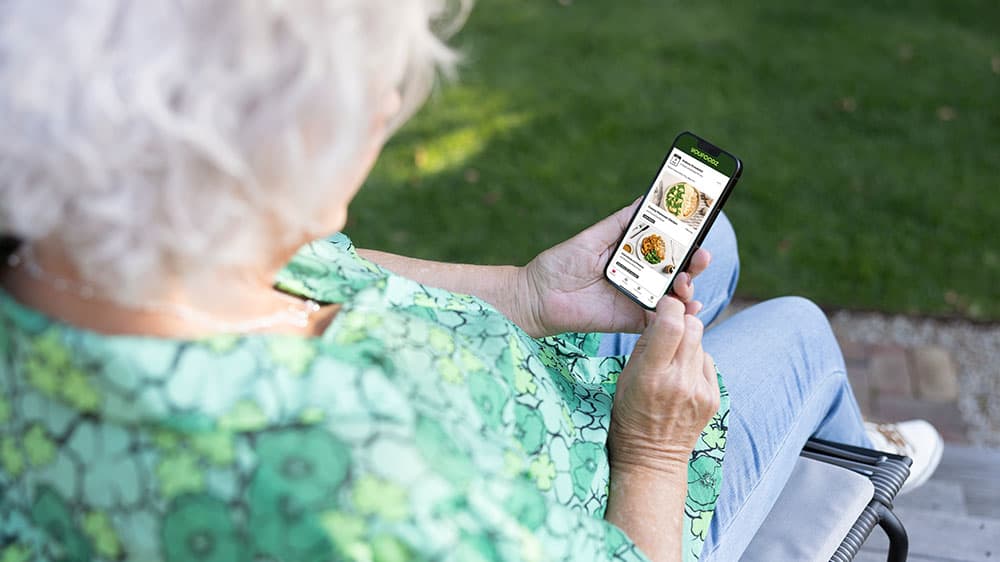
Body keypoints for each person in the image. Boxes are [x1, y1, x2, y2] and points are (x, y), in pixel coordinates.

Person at [0, 1, 941, 561]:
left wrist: (529, 295)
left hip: (530, 395)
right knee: (800, 332)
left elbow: (337, 272)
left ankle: (831, 435)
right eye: (375, 88)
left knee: (709, 240)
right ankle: (850, 453)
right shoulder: (345, 472)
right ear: (257, 137)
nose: (387, 106)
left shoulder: (121, 250)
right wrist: (653, 450)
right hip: (608, 491)